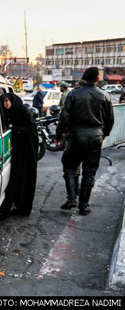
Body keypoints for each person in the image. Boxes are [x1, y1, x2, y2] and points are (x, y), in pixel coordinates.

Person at [56, 67, 114, 215]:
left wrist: (59, 135)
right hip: (96, 136)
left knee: (69, 166)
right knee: (89, 172)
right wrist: (103, 134)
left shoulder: (74, 94)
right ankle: (83, 205)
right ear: (97, 78)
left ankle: (71, 198)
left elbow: (64, 117)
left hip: (76, 136)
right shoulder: (105, 96)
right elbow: (109, 120)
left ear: (84, 78)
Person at [0, 92, 39, 218]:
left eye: (7, 101)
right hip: (16, 150)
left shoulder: (23, 111)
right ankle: (15, 205)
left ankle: (20, 207)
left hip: (25, 151)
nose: (5, 104)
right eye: (3, 101)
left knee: (22, 177)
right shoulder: (8, 113)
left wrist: (15, 128)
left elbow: (31, 129)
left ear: (12, 100)